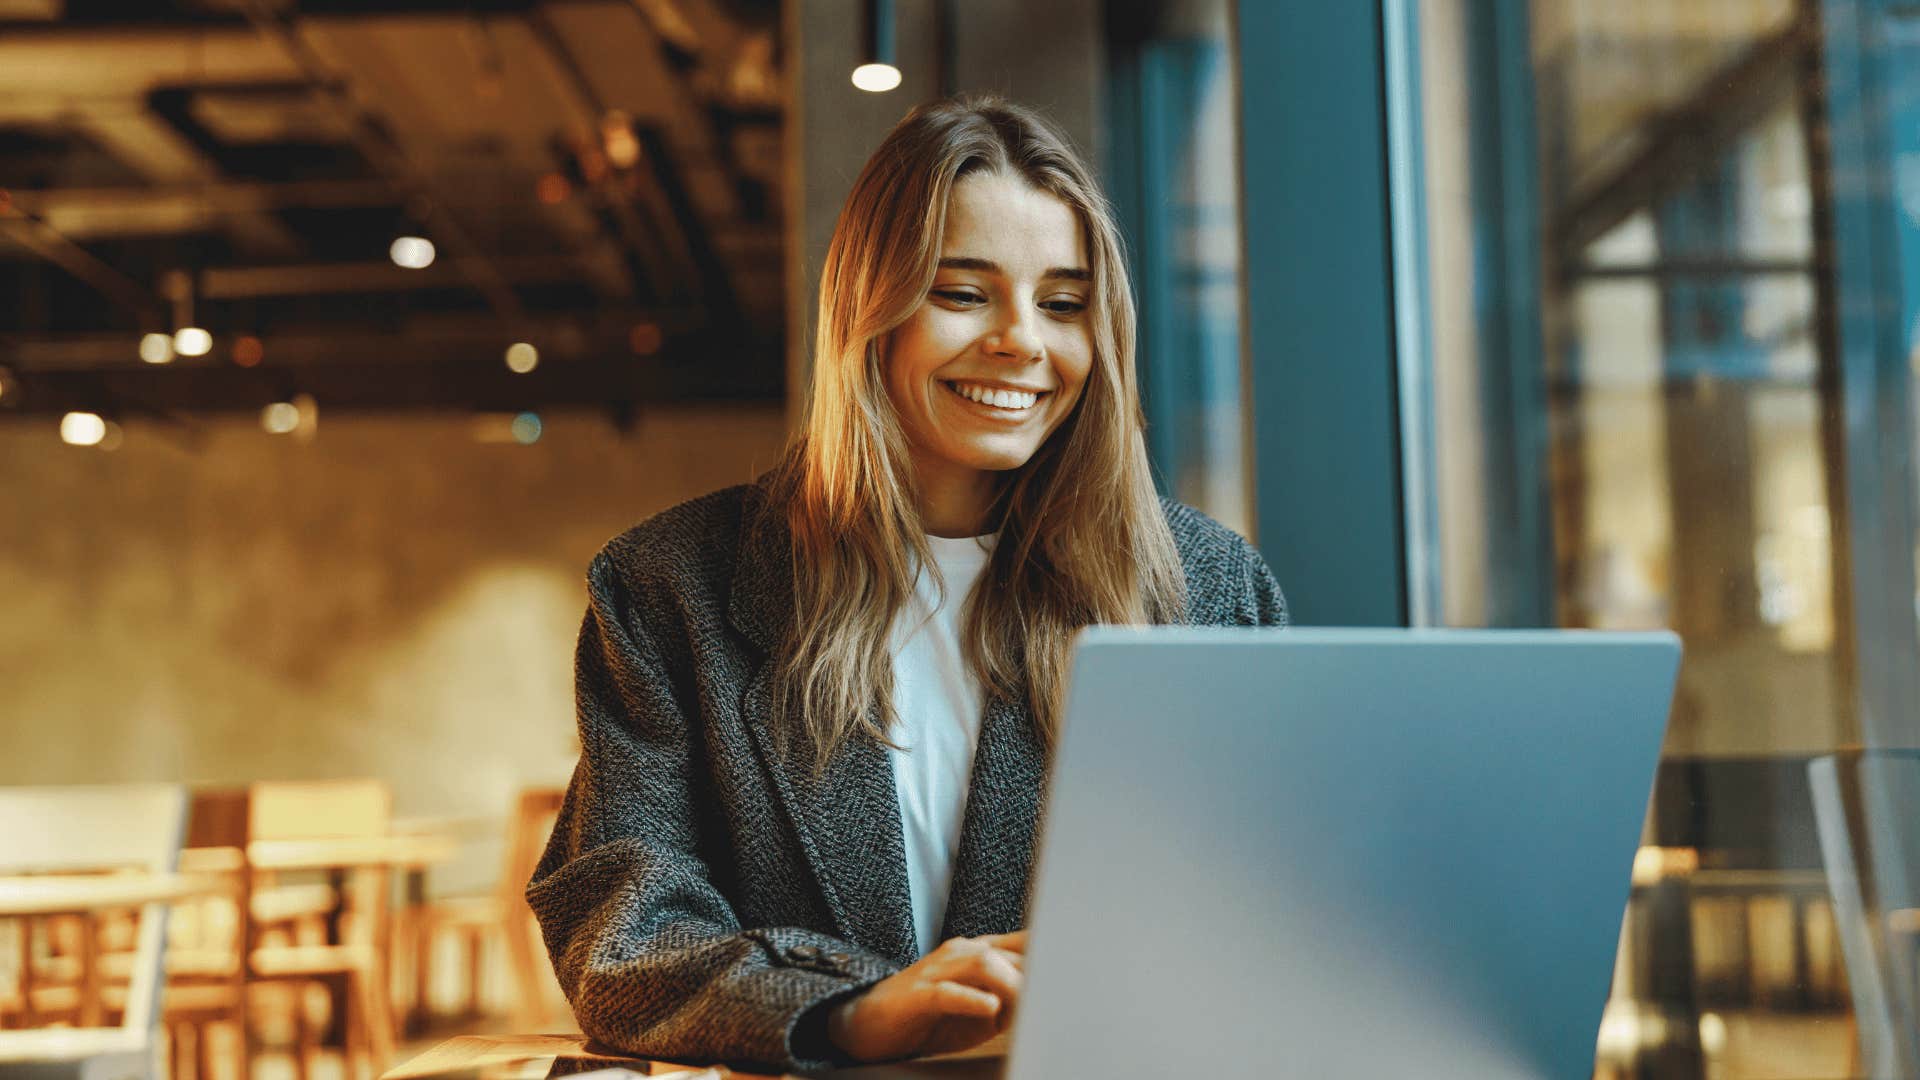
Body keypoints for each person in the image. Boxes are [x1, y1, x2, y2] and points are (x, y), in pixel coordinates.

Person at [527, 95, 1288, 1073]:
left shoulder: (1212, 589)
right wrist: (849, 1011)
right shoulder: (670, 589)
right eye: (963, 292)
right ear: (868, 311)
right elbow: (622, 934)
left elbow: (1270, 911)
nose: (1022, 340)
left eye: (1062, 304)